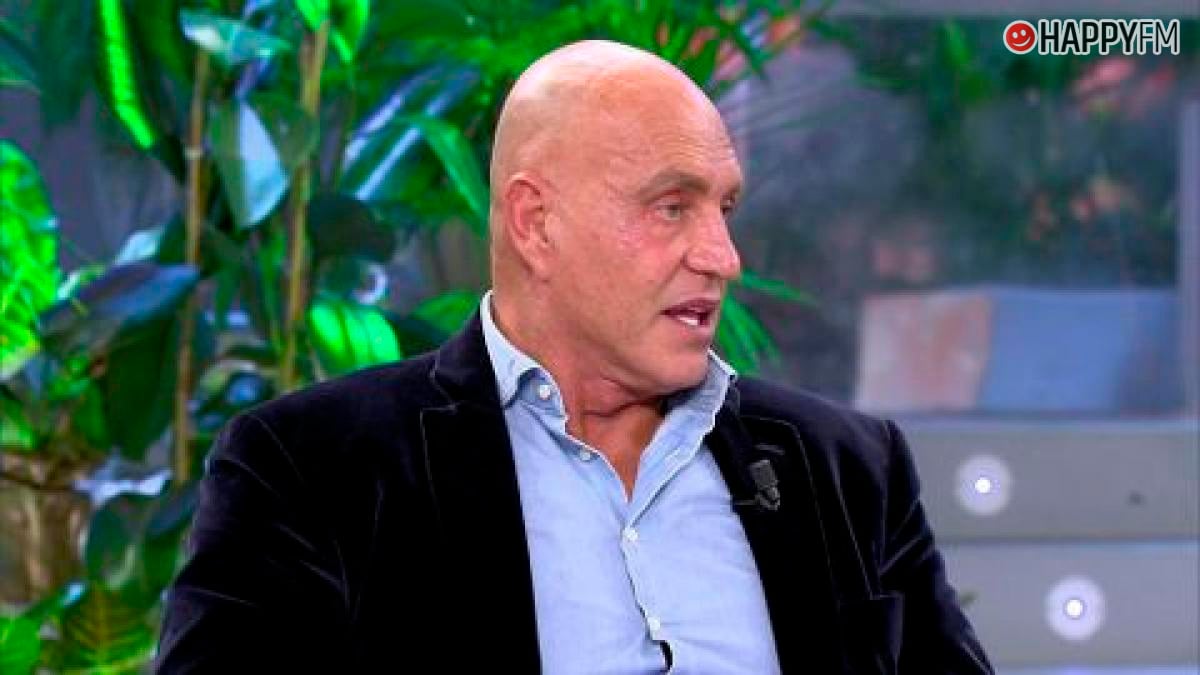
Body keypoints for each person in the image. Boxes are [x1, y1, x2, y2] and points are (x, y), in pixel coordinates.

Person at [155, 40, 992, 673]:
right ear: (536, 223)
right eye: (672, 206)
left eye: (725, 208)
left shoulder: (847, 470)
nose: (723, 256)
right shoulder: (314, 470)